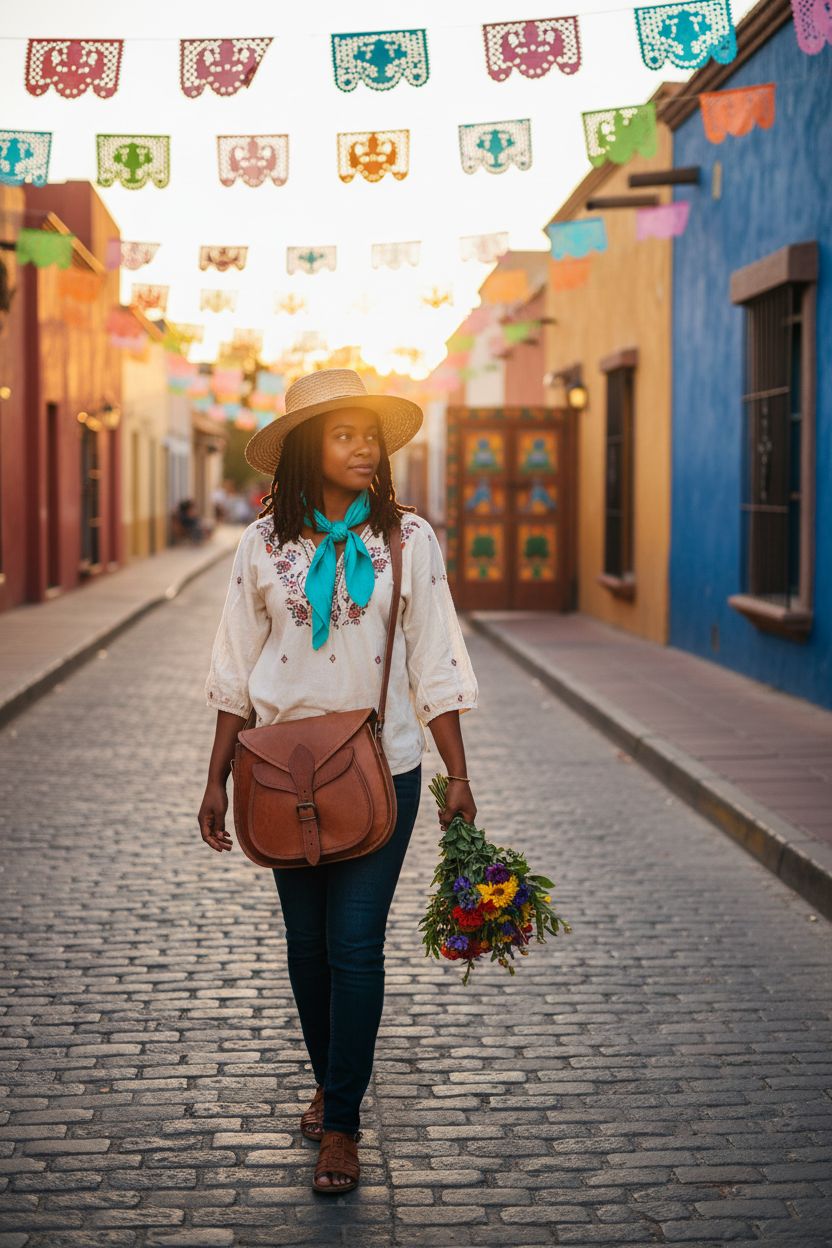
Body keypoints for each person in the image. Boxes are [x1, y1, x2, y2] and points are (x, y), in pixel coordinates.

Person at [198, 369, 479, 1195]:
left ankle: (344, 1127)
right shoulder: (264, 545)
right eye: (343, 435)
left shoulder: (408, 541)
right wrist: (214, 779)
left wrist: (457, 772)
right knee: (305, 948)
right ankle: (330, 1080)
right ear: (304, 451)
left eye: (370, 436)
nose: (363, 449)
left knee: (354, 946)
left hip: (381, 768)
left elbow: (435, 659)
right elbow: (233, 671)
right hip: (282, 777)